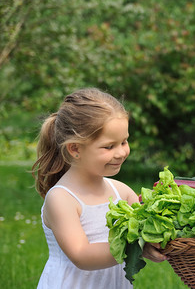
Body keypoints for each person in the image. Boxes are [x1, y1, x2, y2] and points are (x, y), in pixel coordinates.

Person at [32, 88, 166, 288]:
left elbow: (146, 225)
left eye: (124, 141)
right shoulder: (62, 199)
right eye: (109, 146)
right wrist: (135, 246)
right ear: (75, 148)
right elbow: (82, 255)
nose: (121, 152)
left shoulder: (122, 192)